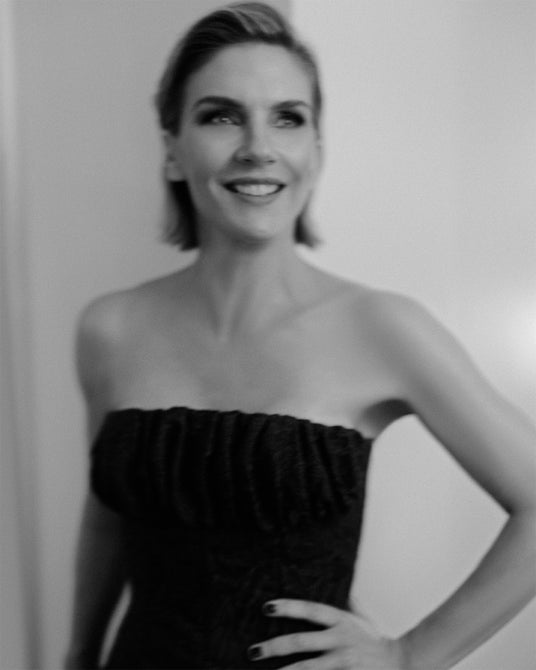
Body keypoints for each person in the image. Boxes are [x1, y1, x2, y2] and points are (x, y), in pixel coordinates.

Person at [65, 2, 536, 669]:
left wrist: (408, 656)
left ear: (316, 150)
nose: (258, 146)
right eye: (221, 115)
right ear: (172, 149)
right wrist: (77, 652)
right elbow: (108, 514)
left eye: (288, 117)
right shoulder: (109, 328)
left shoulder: (382, 328)